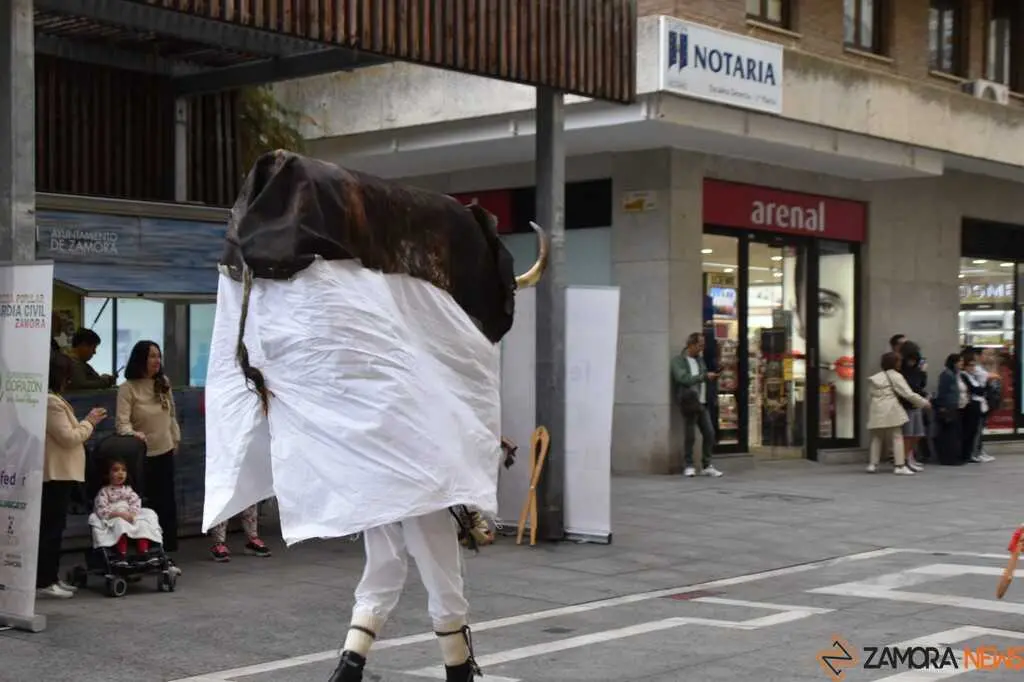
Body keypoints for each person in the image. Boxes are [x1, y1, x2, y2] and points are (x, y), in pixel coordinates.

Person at [38, 353, 107, 598]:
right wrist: (89, 422)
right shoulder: (50, 402)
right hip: (56, 473)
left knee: (55, 527)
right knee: (51, 529)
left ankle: (51, 577)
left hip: (62, 473)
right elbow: (68, 438)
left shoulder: (54, 400)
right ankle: (45, 580)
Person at [116, 340, 181, 556]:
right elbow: (122, 423)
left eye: (158, 356)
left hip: (166, 448)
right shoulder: (128, 388)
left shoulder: (163, 382)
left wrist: (176, 439)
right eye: (152, 356)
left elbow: (171, 415)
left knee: (166, 499)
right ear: (140, 359)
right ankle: (142, 543)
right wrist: (134, 435)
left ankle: (168, 543)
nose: (157, 360)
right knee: (142, 500)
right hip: (140, 454)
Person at [89, 457, 163, 568]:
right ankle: (121, 555)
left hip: (129, 514)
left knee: (144, 522)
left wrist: (132, 514)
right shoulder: (104, 491)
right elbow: (101, 508)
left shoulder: (128, 489)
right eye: (116, 470)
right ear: (107, 474)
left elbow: (135, 502)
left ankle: (144, 552)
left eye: (123, 470)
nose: (120, 473)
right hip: (114, 515)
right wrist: (119, 514)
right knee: (120, 524)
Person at [866, 352, 931, 475]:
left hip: (876, 409)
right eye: (898, 361)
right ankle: (899, 465)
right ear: (895, 363)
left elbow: (868, 397)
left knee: (876, 437)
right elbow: (908, 394)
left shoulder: (875, 377)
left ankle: (872, 464)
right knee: (897, 437)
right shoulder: (896, 376)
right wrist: (923, 402)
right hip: (891, 409)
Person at [670, 332, 722, 478]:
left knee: (709, 433)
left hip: (702, 402)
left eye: (703, 345)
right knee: (690, 434)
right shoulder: (678, 361)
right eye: (700, 345)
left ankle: (707, 465)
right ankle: (688, 465)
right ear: (691, 345)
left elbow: (703, 377)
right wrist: (704, 376)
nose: (702, 348)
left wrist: (710, 377)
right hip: (689, 402)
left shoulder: (700, 360)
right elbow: (682, 378)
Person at [897, 341, 928, 472]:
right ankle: (904, 460)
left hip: (916, 404)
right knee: (907, 435)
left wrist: (923, 372)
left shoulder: (916, 370)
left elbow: (921, 385)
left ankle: (909, 457)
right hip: (906, 405)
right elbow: (910, 388)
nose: (913, 362)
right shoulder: (902, 370)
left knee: (917, 434)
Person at [933, 353, 967, 466]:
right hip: (948, 406)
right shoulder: (947, 375)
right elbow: (942, 391)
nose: (962, 363)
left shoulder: (955, 374)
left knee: (955, 433)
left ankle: (953, 456)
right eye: (959, 361)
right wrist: (942, 406)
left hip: (955, 406)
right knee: (949, 434)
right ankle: (948, 457)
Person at [959, 350, 989, 464]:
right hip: (970, 406)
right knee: (969, 431)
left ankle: (972, 453)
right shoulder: (964, 375)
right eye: (970, 365)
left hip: (977, 405)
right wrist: (981, 390)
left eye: (974, 365)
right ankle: (968, 454)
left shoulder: (973, 376)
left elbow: (981, 389)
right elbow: (975, 390)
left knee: (975, 431)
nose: (973, 367)